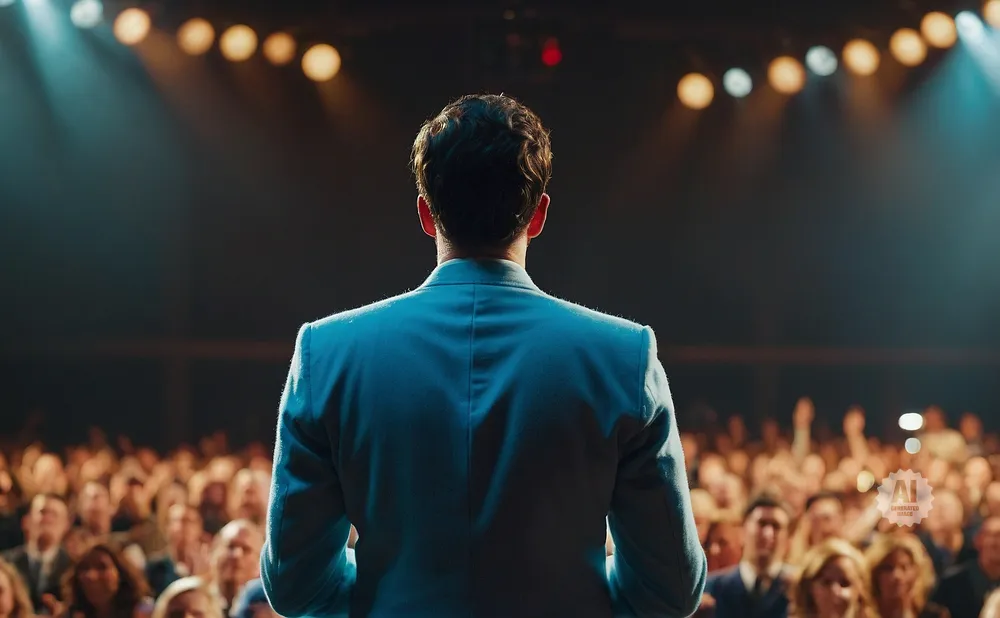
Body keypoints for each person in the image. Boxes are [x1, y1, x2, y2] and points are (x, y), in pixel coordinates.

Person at [260, 93, 707, 618]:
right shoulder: (624, 356)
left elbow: (295, 587)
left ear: (427, 214)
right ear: (538, 215)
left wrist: (393, 590)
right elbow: (669, 589)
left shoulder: (327, 353)